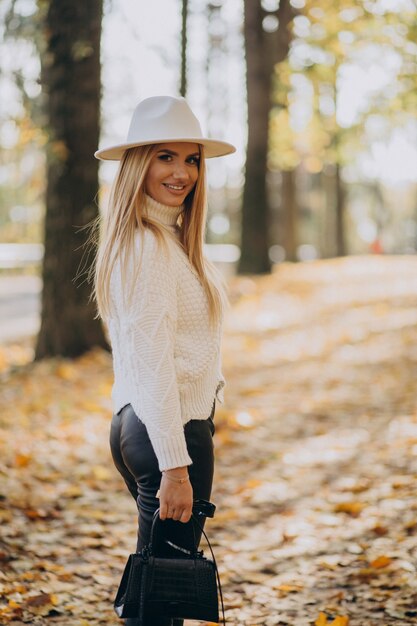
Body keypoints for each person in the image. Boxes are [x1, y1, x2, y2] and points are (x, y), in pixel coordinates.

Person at [92, 96, 235, 626]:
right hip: (168, 434)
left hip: (139, 426)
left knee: (156, 593)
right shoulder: (149, 246)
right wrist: (177, 465)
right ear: (138, 164)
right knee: (160, 605)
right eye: (165, 157)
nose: (182, 172)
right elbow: (152, 360)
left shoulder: (160, 239)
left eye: (191, 159)